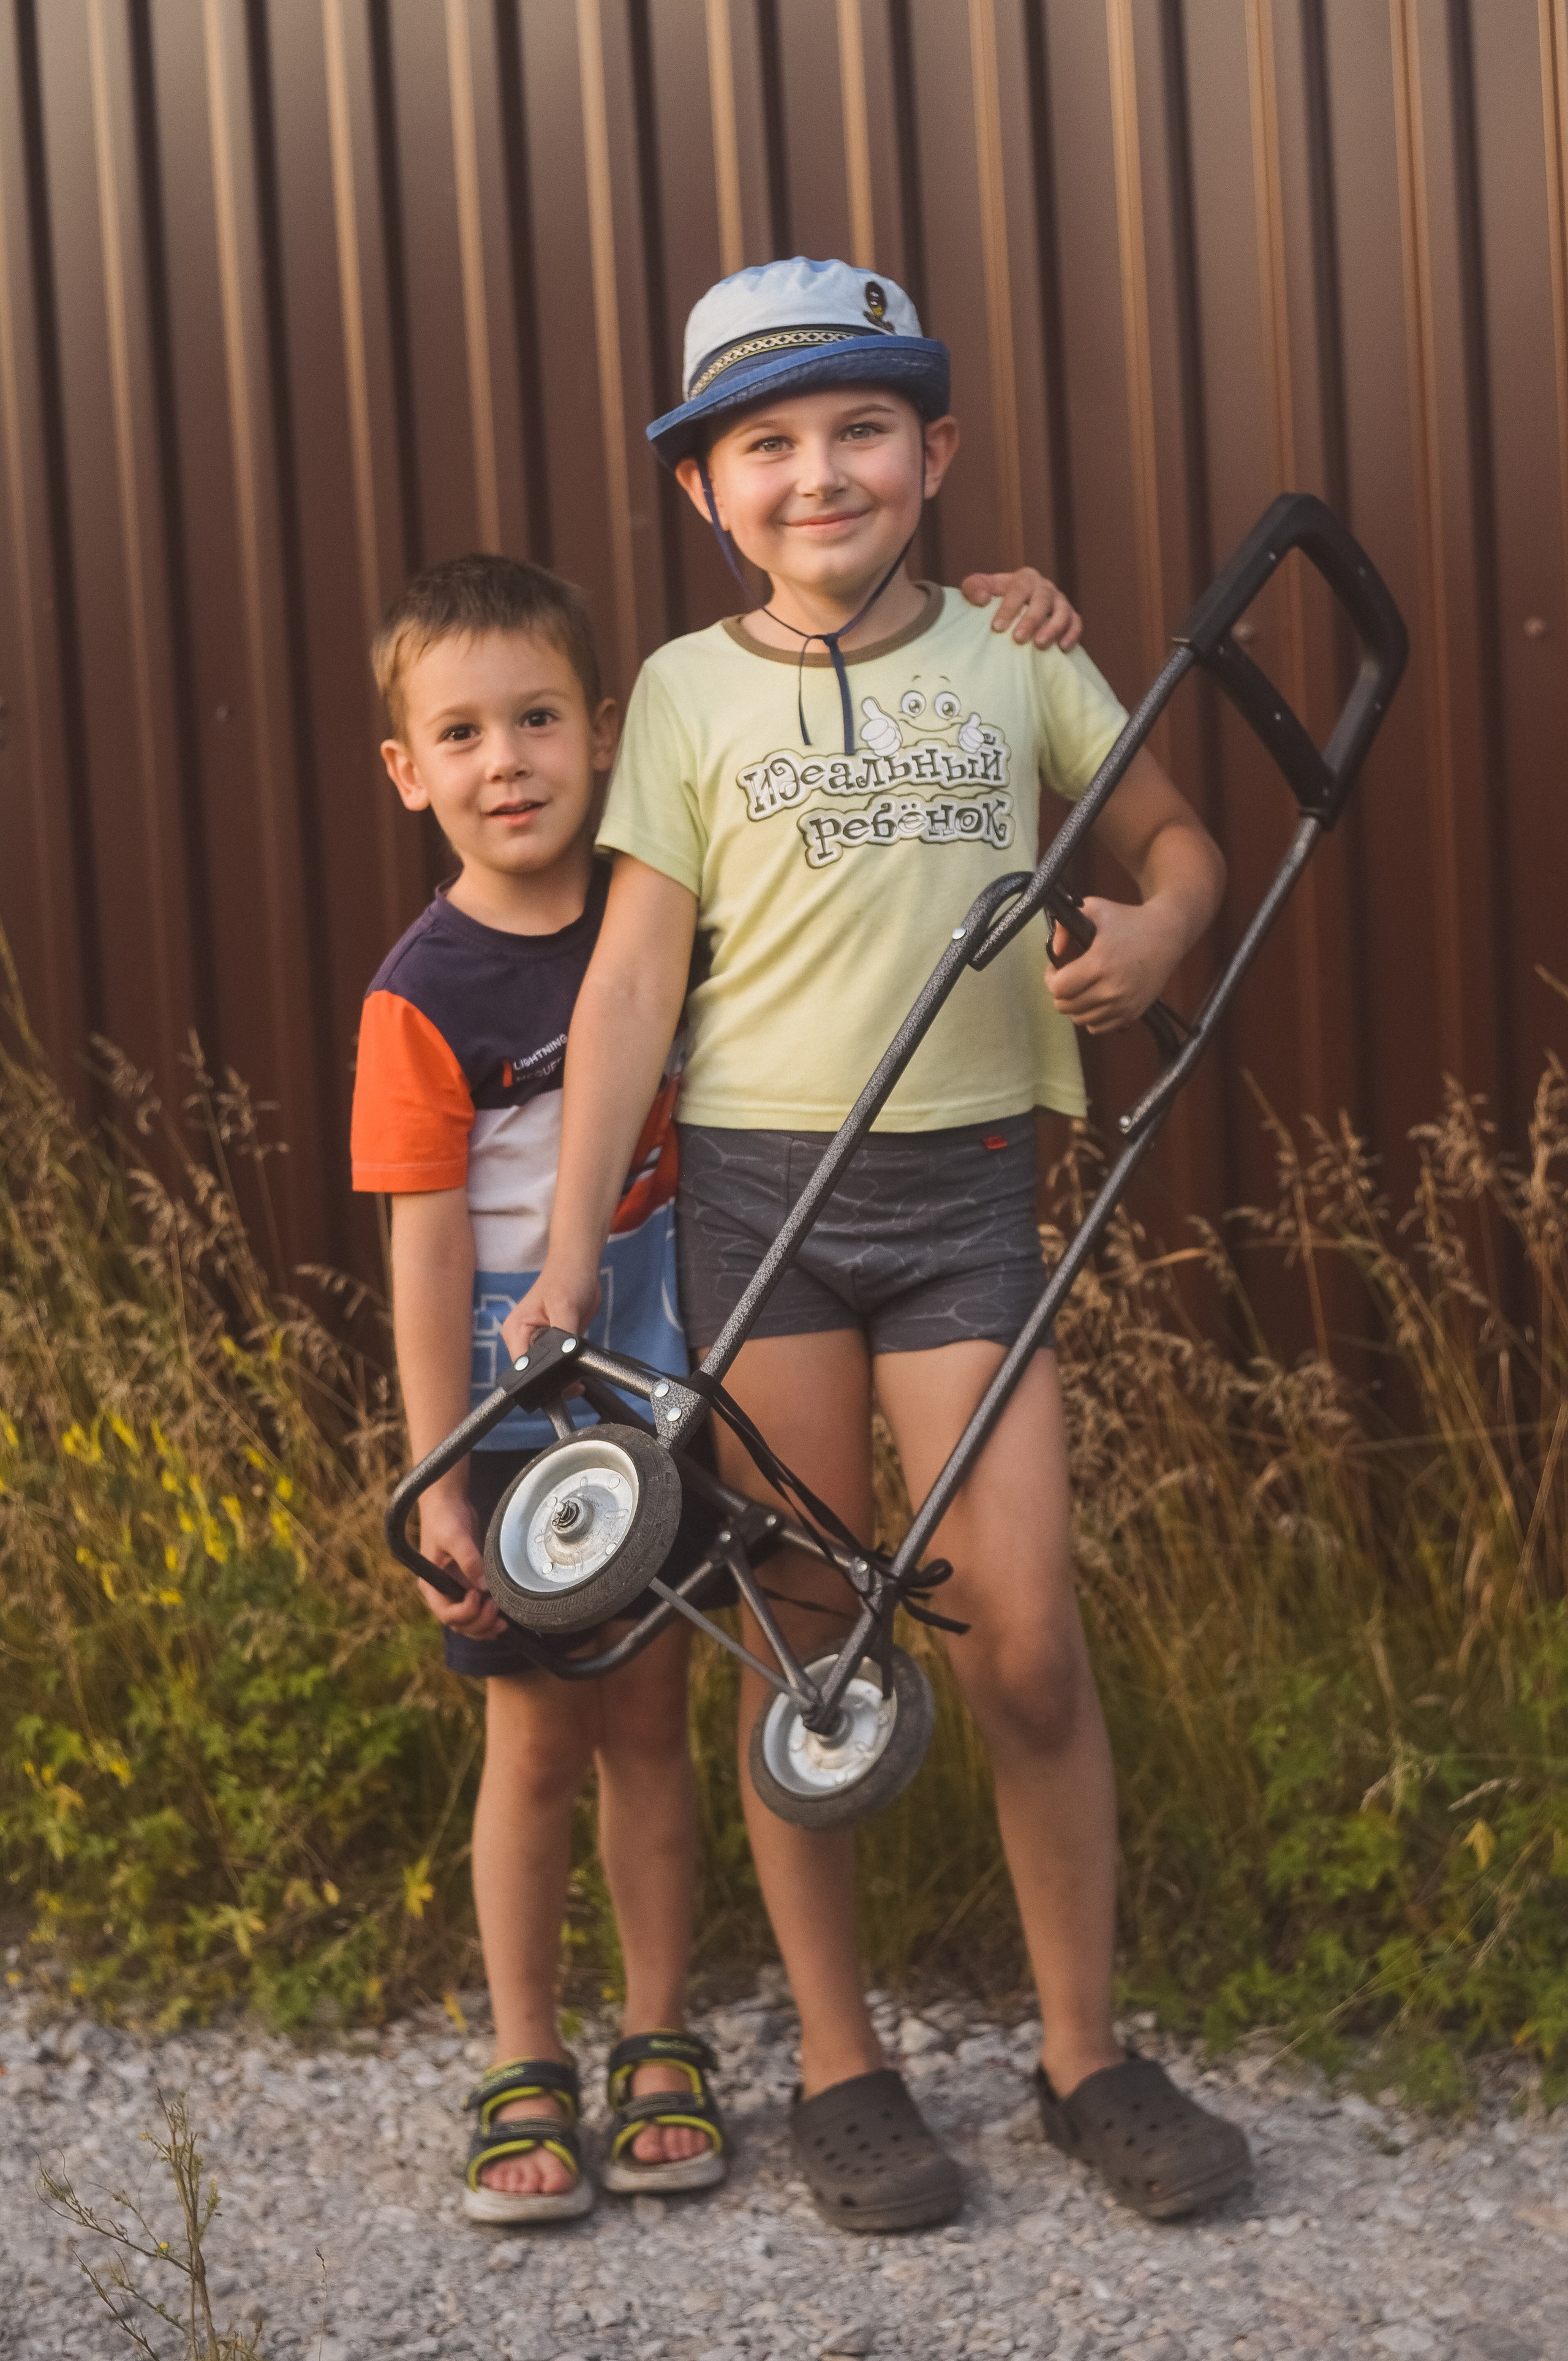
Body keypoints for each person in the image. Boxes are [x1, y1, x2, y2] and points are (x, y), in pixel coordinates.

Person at [505, 257, 1254, 2234]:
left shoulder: (1018, 659)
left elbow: (1180, 843)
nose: (818, 474)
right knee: (805, 1643)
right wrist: (574, 1253)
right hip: (767, 1216)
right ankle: (843, 2066)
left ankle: (1084, 2054)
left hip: (964, 1207)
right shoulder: (680, 694)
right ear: (707, 494)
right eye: (769, 446)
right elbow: (633, 984)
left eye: (860, 431)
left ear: (934, 452)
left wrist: (1163, 931)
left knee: (1024, 1642)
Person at [352, 545, 1086, 2223]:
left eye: (535, 720)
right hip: (522, 1395)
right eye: (458, 737)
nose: (505, 763)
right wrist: (440, 1469)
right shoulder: (424, 995)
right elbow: (421, 1252)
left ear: (605, 732)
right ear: (407, 772)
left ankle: (659, 2030)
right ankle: (524, 2052)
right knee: (537, 1733)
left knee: (657, 1717)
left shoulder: (655, 910)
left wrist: (1020, 613)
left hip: (675, 1363)